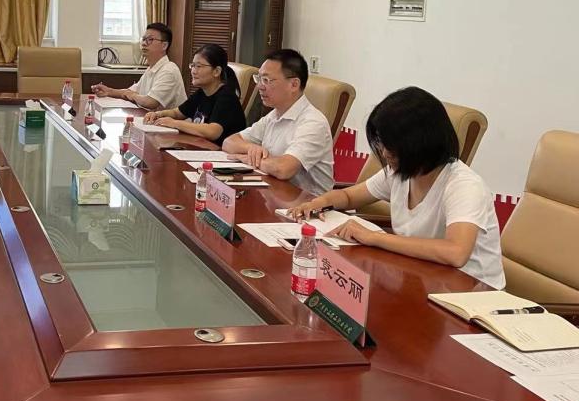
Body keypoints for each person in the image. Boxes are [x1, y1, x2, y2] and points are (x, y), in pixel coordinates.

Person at [287, 87, 505, 289]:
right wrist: (320, 203)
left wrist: (373, 237)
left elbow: (456, 252)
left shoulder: (464, 185)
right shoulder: (400, 173)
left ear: (419, 143)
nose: (383, 153)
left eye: (390, 144)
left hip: (472, 295)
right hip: (422, 279)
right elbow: (349, 196)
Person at [222, 49, 333, 196]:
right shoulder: (274, 115)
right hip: (274, 195)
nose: (259, 86)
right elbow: (229, 142)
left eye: (267, 80)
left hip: (308, 204)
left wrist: (247, 158)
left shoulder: (313, 123)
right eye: (259, 79)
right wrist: (251, 148)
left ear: (294, 84)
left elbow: (284, 169)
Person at [143, 43, 245, 145]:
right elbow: (177, 113)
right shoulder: (202, 92)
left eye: (199, 66)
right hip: (202, 147)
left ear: (216, 71)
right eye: (192, 65)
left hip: (220, 152)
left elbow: (213, 131)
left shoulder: (227, 97)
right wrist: (158, 114)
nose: (193, 71)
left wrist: (174, 123)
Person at [91, 23, 186, 110]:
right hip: (155, 120)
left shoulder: (169, 70)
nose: (144, 43)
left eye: (150, 40)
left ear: (164, 45)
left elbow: (150, 102)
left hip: (173, 123)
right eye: (144, 39)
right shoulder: (151, 69)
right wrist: (109, 91)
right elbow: (131, 91)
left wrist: (132, 95)